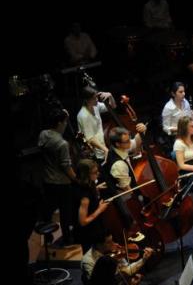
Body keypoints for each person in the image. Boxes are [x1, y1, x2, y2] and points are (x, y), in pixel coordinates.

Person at [77, 87, 146, 162]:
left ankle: (136, 154)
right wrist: (105, 150)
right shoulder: (84, 115)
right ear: (87, 100)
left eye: (96, 96)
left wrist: (110, 96)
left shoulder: (95, 106)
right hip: (99, 153)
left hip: (106, 145)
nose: (97, 99)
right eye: (94, 98)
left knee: (141, 133)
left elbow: (112, 106)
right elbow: (90, 138)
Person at [39, 108, 77, 244]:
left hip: (47, 180)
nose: (66, 124)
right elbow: (66, 166)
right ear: (60, 123)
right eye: (65, 121)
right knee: (65, 212)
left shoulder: (43, 134)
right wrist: (76, 179)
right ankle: (67, 238)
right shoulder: (62, 144)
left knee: (48, 211)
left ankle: (47, 237)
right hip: (62, 183)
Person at [73, 159, 108, 252]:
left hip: (94, 227)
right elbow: (83, 221)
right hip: (89, 233)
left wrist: (96, 188)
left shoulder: (86, 183)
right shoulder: (85, 198)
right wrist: (100, 209)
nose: (98, 174)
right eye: (94, 172)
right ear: (86, 175)